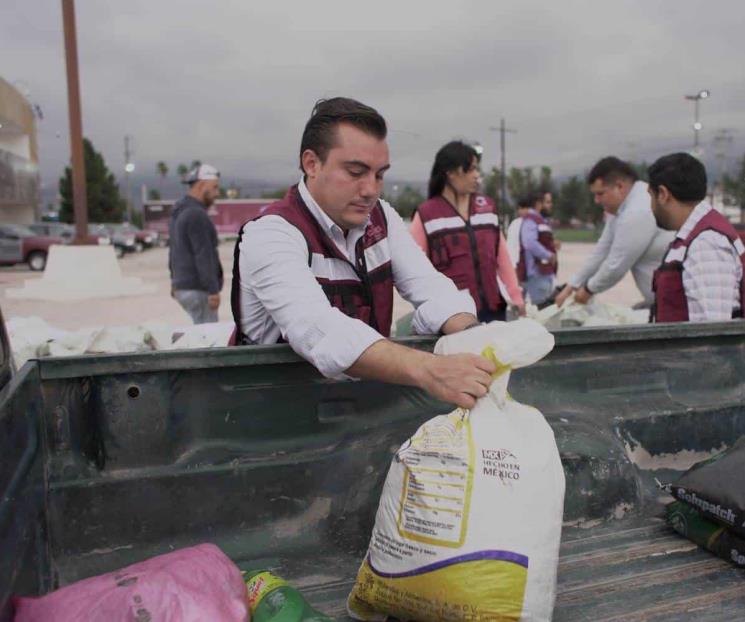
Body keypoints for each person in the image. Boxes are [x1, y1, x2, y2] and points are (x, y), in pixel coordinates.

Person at [231, 98, 496, 409]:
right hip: (275, 414)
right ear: (311, 164)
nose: (371, 189)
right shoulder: (271, 234)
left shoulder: (381, 218)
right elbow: (321, 331)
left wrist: (473, 334)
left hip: (359, 410)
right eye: (356, 172)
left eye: (379, 174)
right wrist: (431, 370)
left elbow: (430, 286)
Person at [410, 141, 525, 321]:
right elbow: (413, 271)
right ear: (450, 173)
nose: (476, 176)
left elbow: (503, 259)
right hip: (453, 315)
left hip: (493, 309)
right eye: (470, 169)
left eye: (477, 170)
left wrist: (516, 297)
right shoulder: (426, 214)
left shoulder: (487, 208)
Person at [555, 156, 674, 308]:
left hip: (675, 303)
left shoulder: (637, 211)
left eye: (600, 193)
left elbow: (616, 264)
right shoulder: (621, 209)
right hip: (661, 299)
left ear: (619, 186)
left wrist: (588, 290)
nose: (596, 201)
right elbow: (602, 250)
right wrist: (572, 285)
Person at [647, 152, 745, 322]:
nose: (651, 206)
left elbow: (713, 333)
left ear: (663, 194)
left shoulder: (706, 243)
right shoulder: (694, 236)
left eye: (651, 196)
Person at [169, 163, 223, 324]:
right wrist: (213, 290)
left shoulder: (179, 211)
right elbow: (204, 255)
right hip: (198, 289)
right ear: (201, 185)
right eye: (214, 187)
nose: (217, 193)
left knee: (199, 334)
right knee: (208, 340)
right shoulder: (196, 215)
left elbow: (173, 249)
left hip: (183, 287)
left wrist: (174, 280)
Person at [517, 192, 558, 306]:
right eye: (546, 202)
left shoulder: (537, 219)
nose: (549, 205)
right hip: (537, 273)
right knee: (543, 310)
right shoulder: (531, 219)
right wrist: (548, 255)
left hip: (542, 273)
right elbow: (529, 243)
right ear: (538, 204)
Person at [505, 195, 531, 269]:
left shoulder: (530, 223)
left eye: (523, 208)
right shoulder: (515, 223)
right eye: (519, 209)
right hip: (516, 263)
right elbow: (509, 244)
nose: (520, 211)